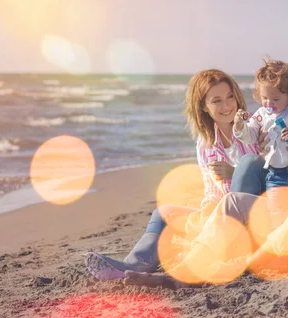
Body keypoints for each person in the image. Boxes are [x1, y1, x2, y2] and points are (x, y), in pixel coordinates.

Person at [123, 50, 288, 289]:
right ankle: (194, 265)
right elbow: (275, 152)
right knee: (234, 201)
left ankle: (246, 264)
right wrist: (266, 149)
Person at [85, 69, 260, 280]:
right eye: (217, 100)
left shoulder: (255, 128)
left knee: (248, 164)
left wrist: (233, 171)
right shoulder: (205, 144)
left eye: (230, 96)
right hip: (221, 218)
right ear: (204, 106)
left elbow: (271, 174)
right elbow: (212, 191)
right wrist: (206, 211)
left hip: (253, 219)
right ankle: (133, 265)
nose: (227, 105)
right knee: (164, 212)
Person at [234, 59, 288, 194]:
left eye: (276, 99)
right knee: (275, 210)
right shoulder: (261, 114)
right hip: (275, 174)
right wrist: (240, 126)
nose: (269, 103)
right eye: (264, 98)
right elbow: (250, 136)